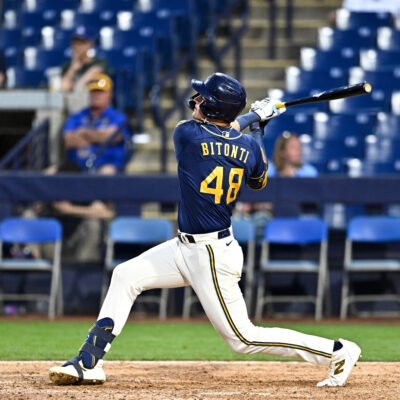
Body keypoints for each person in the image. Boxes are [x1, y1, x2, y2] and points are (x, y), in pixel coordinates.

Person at [49, 73, 361, 388]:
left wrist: (254, 116)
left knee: (244, 339)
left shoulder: (186, 134)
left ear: (211, 107)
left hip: (210, 254)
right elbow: (259, 179)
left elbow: (221, 131)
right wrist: (259, 127)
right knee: (126, 276)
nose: (196, 100)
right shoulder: (249, 146)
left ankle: (336, 351)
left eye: (202, 97)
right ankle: (88, 361)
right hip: (185, 247)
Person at [62, 73, 131, 175]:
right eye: (93, 91)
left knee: (106, 173)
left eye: (101, 91)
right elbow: (68, 141)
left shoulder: (117, 117)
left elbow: (112, 137)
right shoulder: (77, 116)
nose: (96, 95)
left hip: (106, 164)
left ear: (110, 95)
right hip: (76, 166)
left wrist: (83, 132)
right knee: (51, 172)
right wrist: (99, 137)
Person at [61, 26, 109, 92]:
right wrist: (72, 69)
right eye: (75, 43)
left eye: (81, 43)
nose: (77, 46)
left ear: (91, 44)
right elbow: (63, 88)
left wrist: (72, 86)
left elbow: (79, 88)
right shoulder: (67, 66)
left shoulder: (98, 63)